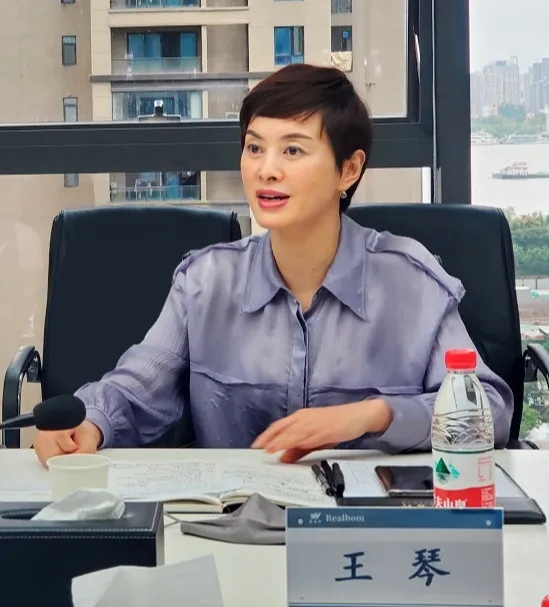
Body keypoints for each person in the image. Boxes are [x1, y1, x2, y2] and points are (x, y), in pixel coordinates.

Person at [33, 63, 514, 466]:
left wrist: (374, 415)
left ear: (348, 170)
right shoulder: (204, 283)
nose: (266, 169)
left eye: (293, 150)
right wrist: (89, 423)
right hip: (230, 523)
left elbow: (488, 411)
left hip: (369, 530)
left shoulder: (411, 282)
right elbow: (136, 389)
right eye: (254, 147)